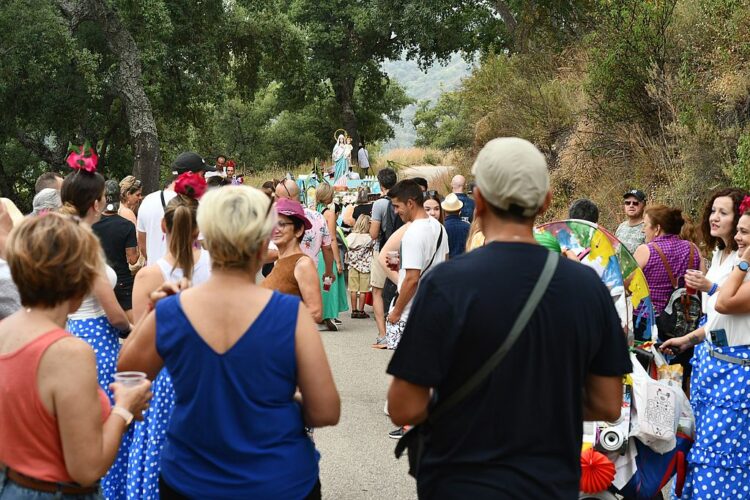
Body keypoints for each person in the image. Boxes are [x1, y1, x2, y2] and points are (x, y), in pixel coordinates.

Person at [386, 137, 631, 498]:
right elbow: (609, 403)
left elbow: (403, 405)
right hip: (546, 482)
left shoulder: (446, 284)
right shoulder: (586, 288)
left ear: (479, 199)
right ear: (546, 202)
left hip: (458, 480)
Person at [118, 185, 340, 499]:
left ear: (205, 236)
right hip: (279, 479)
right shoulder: (291, 315)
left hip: (191, 478)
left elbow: (127, 370)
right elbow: (326, 411)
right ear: (263, 242)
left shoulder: (171, 312)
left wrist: (152, 314)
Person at [0, 213, 151, 499]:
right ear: (80, 280)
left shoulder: (5, 331)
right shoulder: (69, 353)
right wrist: (124, 408)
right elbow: (87, 468)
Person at [124, 173, 210, 500]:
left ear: (163, 227)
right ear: (199, 230)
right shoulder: (217, 267)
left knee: (160, 449)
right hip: (206, 373)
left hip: (163, 376)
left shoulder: (149, 275)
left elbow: (138, 337)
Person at [661, 195, 750, 498]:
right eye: (713, 211)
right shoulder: (720, 255)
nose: (714, 217)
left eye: (722, 213)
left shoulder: (743, 263)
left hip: (734, 369)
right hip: (709, 363)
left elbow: (725, 303)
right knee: (698, 443)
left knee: (722, 450)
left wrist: (709, 286)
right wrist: (687, 340)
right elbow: (714, 322)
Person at [60, 161, 133, 499]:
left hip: (75, 327)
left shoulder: (63, 238)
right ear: (96, 203)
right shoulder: (85, 246)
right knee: (110, 420)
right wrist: (135, 333)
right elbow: (113, 312)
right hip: (99, 338)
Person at [384, 179, 449, 351]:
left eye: (397, 206)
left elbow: (412, 280)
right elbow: (444, 265)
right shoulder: (439, 228)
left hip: (411, 313)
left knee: (408, 372)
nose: (396, 211)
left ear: (410, 203)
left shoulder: (413, 233)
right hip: (433, 307)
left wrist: (396, 312)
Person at [137, 152, 214, 265]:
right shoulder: (197, 206)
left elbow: (143, 246)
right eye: (203, 175)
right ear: (190, 174)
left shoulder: (148, 201)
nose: (205, 181)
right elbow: (204, 246)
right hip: (188, 277)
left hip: (155, 276)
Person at [262, 198, 323, 323]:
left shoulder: (302, 264)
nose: (275, 229)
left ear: (299, 230)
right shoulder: (280, 259)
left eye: (282, 224)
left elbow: (315, 312)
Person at [274, 179, 335, 301]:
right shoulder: (318, 217)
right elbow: (328, 248)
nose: (275, 200)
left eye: (277, 197)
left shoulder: (278, 218)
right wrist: (328, 272)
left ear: (289, 198)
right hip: (309, 278)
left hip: (283, 278)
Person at [92, 180, 139, 322]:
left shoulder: (91, 224)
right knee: (132, 326)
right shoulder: (127, 226)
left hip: (98, 277)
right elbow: (133, 259)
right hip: (121, 280)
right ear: (120, 198)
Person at [369, 167, 401, 348]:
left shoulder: (379, 204)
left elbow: (374, 234)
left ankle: (383, 334)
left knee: (377, 292)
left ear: (380, 184)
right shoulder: (401, 200)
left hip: (381, 251)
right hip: (401, 251)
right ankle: (398, 331)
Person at [316, 183, 348, 329]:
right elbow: (332, 239)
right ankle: (328, 315)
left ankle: (321, 315)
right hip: (327, 255)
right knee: (329, 284)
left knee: (321, 285)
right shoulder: (329, 214)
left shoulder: (314, 211)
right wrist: (338, 261)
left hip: (317, 254)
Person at [346, 215, 375, 319]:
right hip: (365, 267)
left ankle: (354, 310)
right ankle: (361, 311)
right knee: (363, 290)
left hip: (352, 266)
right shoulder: (369, 238)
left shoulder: (350, 237)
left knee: (353, 289)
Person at [441, 193, 470, 258]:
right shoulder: (468, 227)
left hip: (447, 264)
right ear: (459, 210)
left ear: (444, 210)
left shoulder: (442, 227)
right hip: (465, 263)